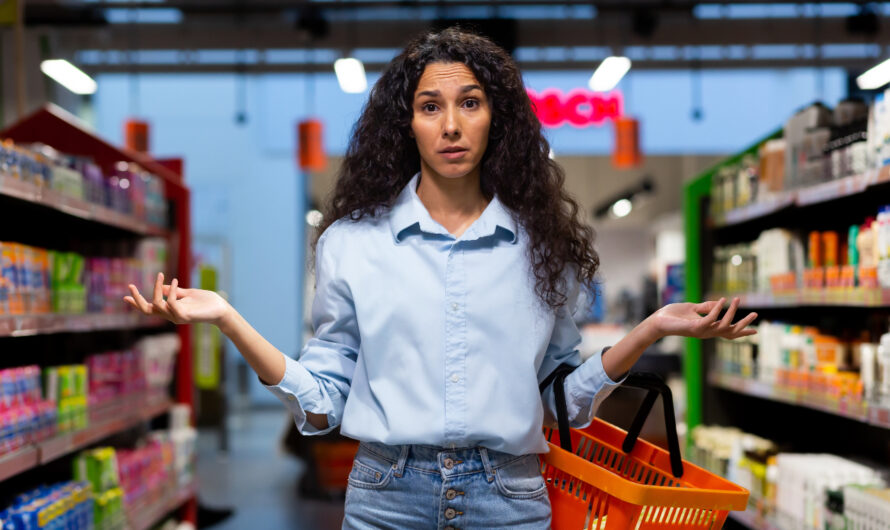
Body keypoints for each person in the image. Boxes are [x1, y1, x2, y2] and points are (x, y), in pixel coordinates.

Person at [124, 27, 757, 530]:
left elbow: (559, 402)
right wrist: (229, 317)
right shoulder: (353, 244)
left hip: (509, 500)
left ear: (495, 119)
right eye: (431, 106)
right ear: (408, 123)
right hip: (385, 498)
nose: (450, 125)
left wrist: (647, 331)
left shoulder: (542, 246)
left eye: (469, 103)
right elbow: (323, 399)